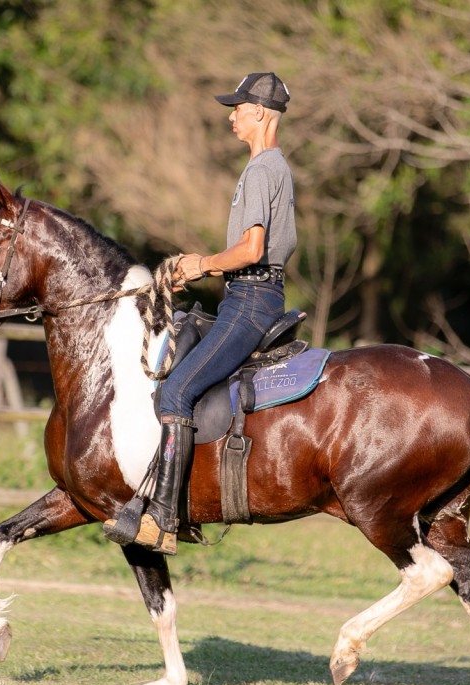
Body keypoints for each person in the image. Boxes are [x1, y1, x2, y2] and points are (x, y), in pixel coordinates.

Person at [103, 71, 297, 554]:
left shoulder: (261, 169)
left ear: (259, 114)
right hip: (249, 296)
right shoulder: (271, 168)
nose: (231, 116)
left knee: (175, 393)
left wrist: (202, 265)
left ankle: (165, 519)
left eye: (237, 108)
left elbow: (251, 249)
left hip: (250, 300)